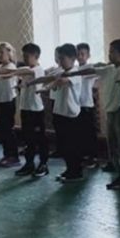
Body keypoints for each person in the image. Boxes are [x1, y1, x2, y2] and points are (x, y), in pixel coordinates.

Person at [65, 39, 120, 192]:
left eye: (112, 52)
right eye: (109, 51)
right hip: (110, 110)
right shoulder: (108, 69)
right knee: (113, 145)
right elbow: (90, 71)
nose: (109, 54)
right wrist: (72, 73)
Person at [0, 43, 50, 178]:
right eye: (24, 56)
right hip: (25, 109)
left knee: (40, 139)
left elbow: (18, 72)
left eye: (27, 56)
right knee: (28, 139)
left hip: (36, 110)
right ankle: (29, 164)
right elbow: (17, 74)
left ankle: (43, 164)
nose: (25, 58)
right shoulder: (26, 69)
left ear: (36, 56)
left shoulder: (38, 70)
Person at [34, 44, 84, 182]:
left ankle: (76, 172)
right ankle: (69, 169)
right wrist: (31, 83)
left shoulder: (75, 72)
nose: (60, 61)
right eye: (59, 58)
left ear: (73, 58)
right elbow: (48, 78)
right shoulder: (61, 71)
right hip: (59, 113)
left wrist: (46, 88)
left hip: (71, 115)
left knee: (72, 145)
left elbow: (61, 81)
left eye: (63, 58)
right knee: (63, 145)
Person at [76, 43, 99, 168]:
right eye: (78, 54)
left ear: (88, 55)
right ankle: (83, 155)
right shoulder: (74, 69)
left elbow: (99, 69)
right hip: (76, 105)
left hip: (86, 104)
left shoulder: (90, 68)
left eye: (82, 54)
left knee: (89, 132)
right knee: (79, 132)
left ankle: (93, 157)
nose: (80, 56)